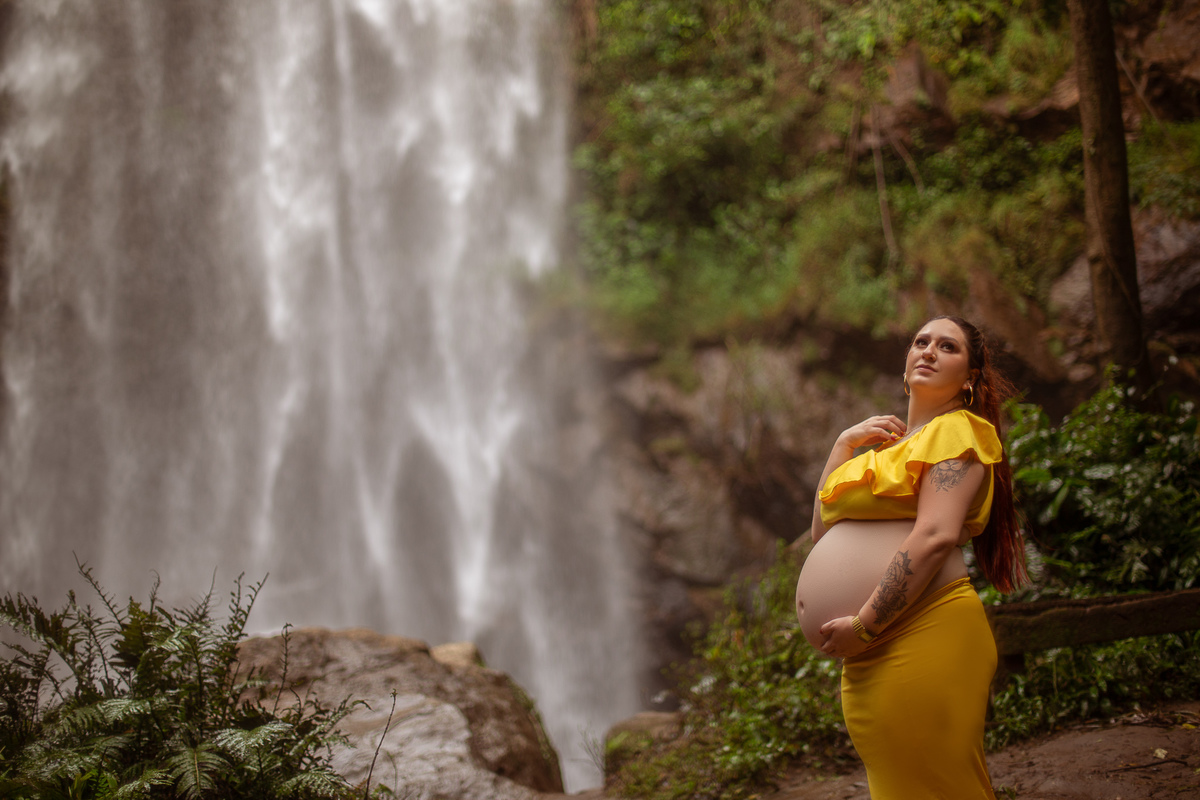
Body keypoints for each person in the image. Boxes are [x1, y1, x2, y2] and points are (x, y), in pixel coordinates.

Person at [794, 315, 1027, 799]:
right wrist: (842, 445)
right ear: (905, 365)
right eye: (921, 341)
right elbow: (822, 532)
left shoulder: (958, 430)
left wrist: (865, 625)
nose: (929, 350)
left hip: (923, 630)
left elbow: (936, 536)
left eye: (948, 346)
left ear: (970, 378)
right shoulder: (880, 453)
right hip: (874, 648)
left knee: (940, 785)